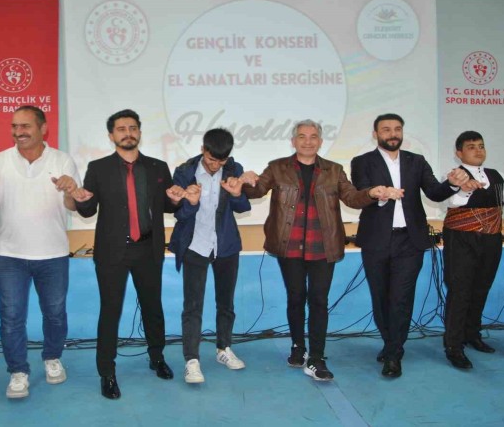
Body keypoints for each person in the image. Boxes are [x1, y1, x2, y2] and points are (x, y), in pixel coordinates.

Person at [241, 119, 401, 381]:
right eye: (302, 136)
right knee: (295, 297)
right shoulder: (277, 167)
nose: (308, 141)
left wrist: (372, 193)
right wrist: (243, 181)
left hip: (323, 245)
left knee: (319, 300)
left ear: (320, 141)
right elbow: (255, 190)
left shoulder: (334, 170)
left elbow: (352, 197)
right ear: (293, 141)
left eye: (313, 136)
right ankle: (298, 347)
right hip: (288, 244)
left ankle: (316, 357)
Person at [0, 106, 81, 398]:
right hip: (9, 254)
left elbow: (73, 205)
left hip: (53, 253)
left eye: (25, 126)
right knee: (11, 317)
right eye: (14, 126)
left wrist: (70, 191)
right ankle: (18, 371)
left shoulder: (62, 160)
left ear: (43, 128)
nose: (19, 132)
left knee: (55, 314)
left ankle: (52, 357)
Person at [350, 114, 468, 378]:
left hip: (410, 241)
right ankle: (390, 342)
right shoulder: (362, 161)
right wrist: (379, 194)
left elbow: (434, 192)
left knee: (401, 298)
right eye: (386, 129)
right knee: (381, 298)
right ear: (375, 134)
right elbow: (360, 193)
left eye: (397, 129)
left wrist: (452, 184)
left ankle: (394, 354)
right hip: (376, 240)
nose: (392, 134)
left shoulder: (417, 161)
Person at [72, 109, 177, 399]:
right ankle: (106, 372)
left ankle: (157, 357)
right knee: (110, 311)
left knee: (153, 307)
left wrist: (176, 200)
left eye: (132, 128)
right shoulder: (98, 168)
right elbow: (88, 210)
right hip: (112, 251)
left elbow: (169, 206)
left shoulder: (158, 167)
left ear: (139, 132)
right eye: (121, 129)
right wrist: (81, 200)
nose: (127, 133)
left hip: (148, 248)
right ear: (111, 135)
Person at [168, 128, 250, 384]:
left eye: (221, 161)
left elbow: (242, 207)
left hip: (226, 245)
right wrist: (190, 203)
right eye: (212, 159)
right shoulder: (184, 172)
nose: (216, 166)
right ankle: (191, 360)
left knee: (226, 302)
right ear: (203, 150)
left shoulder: (234, 169)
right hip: (195, 245)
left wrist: (237, 194)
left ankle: (224, 348)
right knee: (192, 306)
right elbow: (179, 215)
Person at [441, 131, 504, 369]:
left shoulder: (497, 175)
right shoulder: (452, 175)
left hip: (491, 238)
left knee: (481, 287)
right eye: (471, 147)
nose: (478, 150)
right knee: (460, 291)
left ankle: (472, 334)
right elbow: (450, 202)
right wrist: (464, 188)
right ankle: (453, 345)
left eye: (481, 146)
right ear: (459, 153)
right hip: (461, 239)